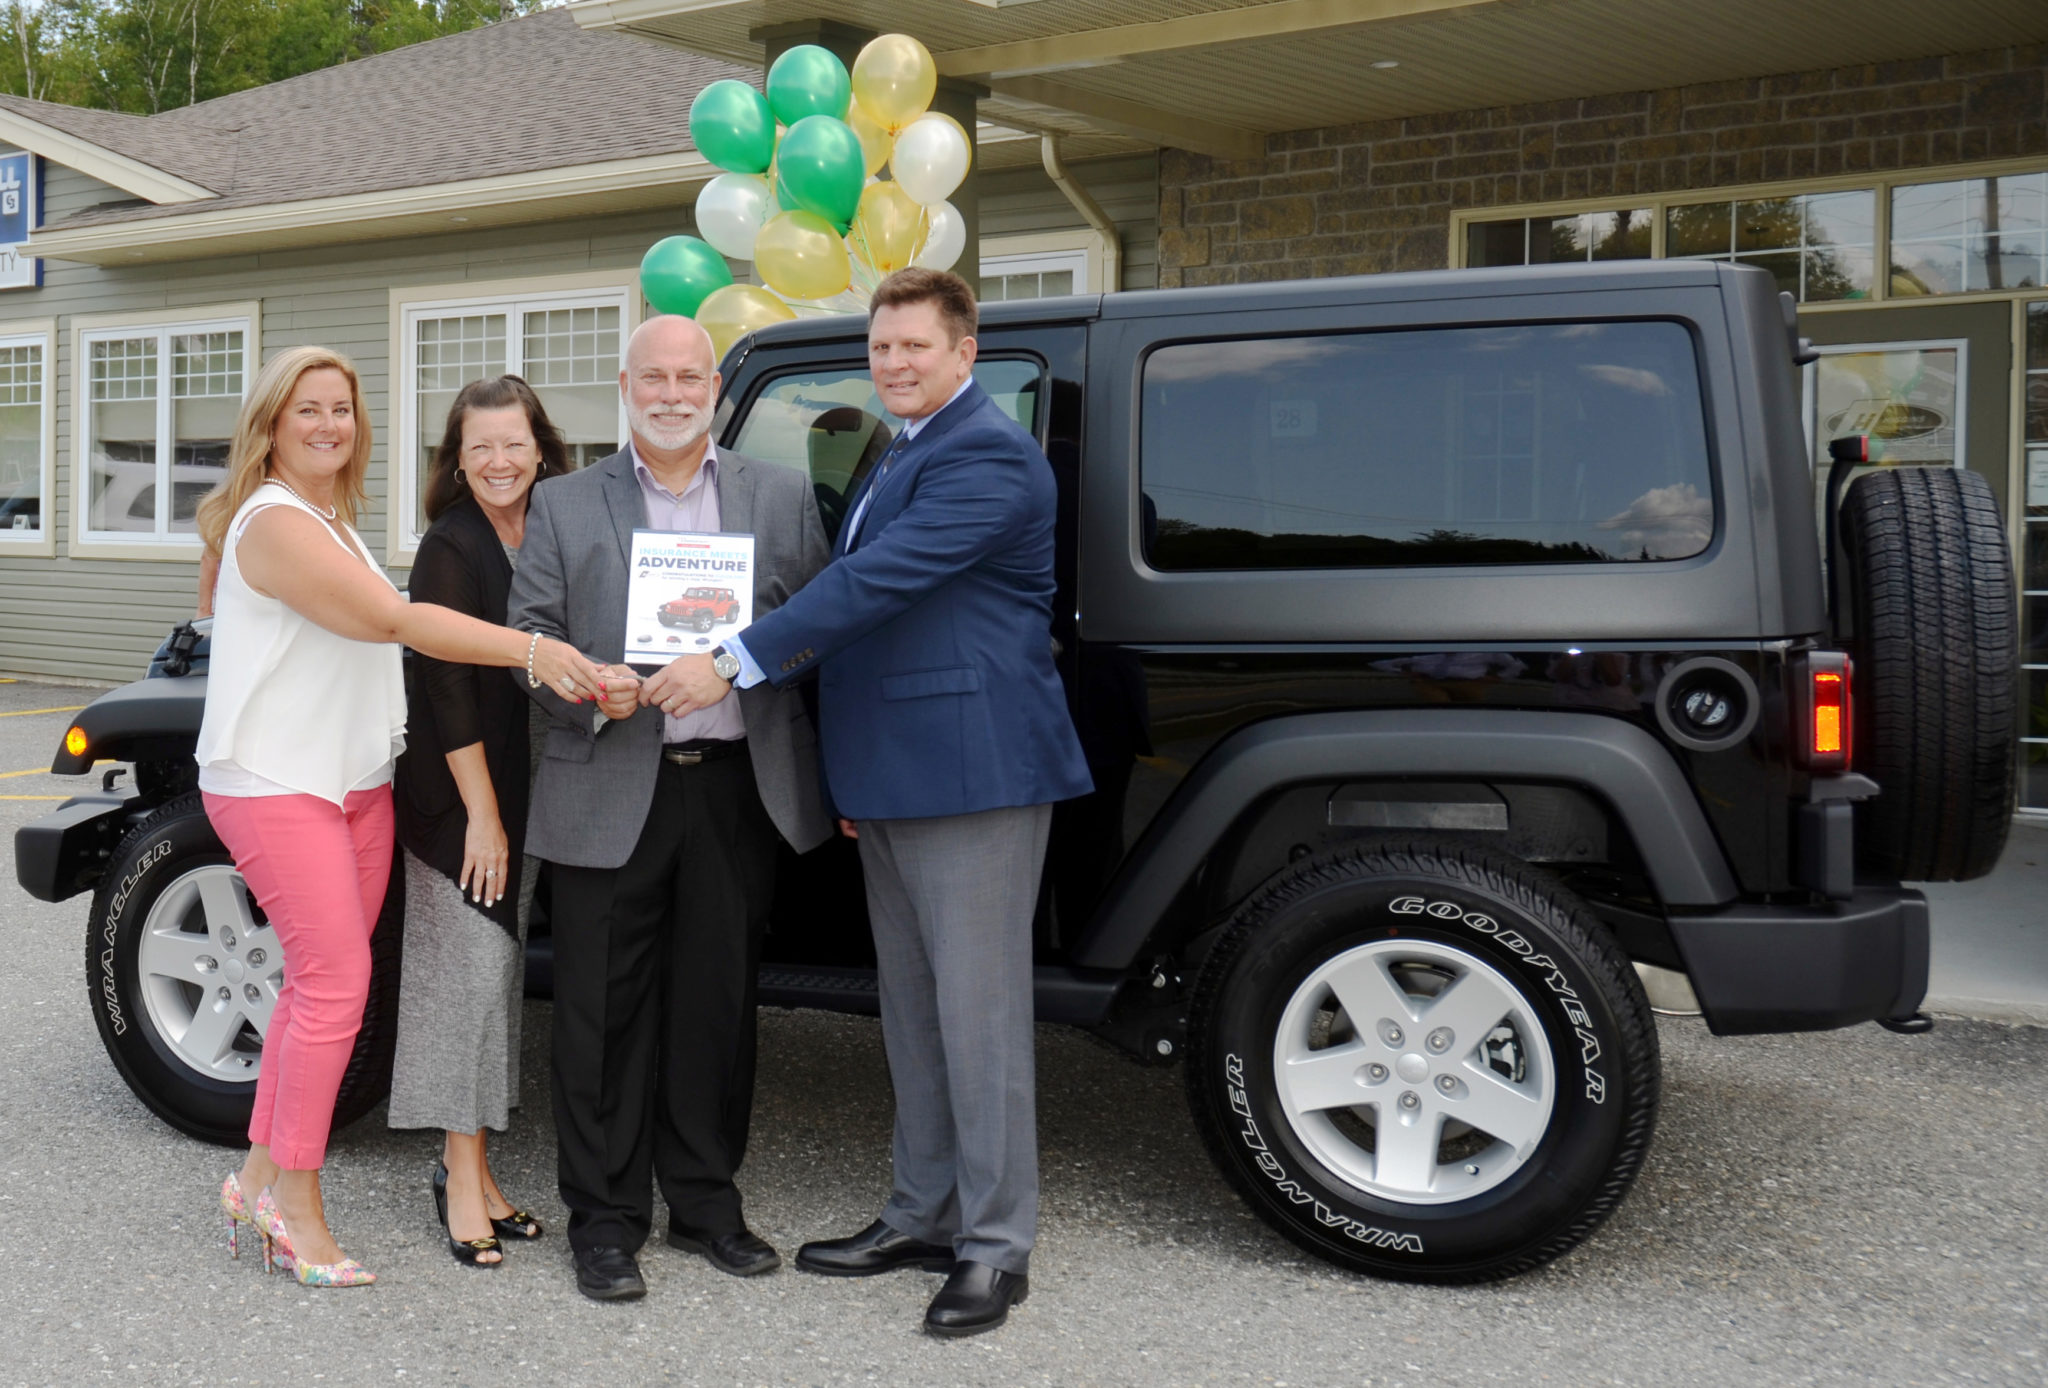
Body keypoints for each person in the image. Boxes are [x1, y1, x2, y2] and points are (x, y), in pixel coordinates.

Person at [664, 268, 1092, 1337]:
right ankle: (920, 1214)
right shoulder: (903, 448)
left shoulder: (988, 454)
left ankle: (993, 1248)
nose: (894, 363)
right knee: (914, 1013)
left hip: (973, 775)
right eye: (882, 347)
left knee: (979, 1021)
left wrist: (731, 659)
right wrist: (855, 773)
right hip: (898, 775)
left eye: (914, 346)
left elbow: (872, 585)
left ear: (964, 352)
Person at [196, 345, 609, 1289]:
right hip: (276, 782)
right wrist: (533, 651)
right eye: (308, 410)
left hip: (354, 782)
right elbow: (394, 623)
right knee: (336, 990)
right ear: (271, 423)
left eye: (341, 409)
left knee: (312, 991)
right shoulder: (272, 519)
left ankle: (254, 1178)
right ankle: (298, 1209)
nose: (328, 425)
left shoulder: (331, 518)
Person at [505, 314, 834, 1303]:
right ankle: (604, 1221)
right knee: (600, 1014)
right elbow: (528, 638)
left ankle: (703, 1202)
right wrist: (584, 685)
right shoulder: (564, 501)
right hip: (609, 782)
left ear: (714, 390)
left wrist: (742, 660)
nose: (673, 392)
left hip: (734, 784)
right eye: (654, 376)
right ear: (625, 386)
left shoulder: (779, 495)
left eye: (691, 376)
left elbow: (818, 625)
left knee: (715, 1004)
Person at [388, 376, 571, 1267]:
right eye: (481, 447)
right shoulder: (450, 546)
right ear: (457, 462)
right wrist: (484, 818)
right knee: (463, 983)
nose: (500, 461)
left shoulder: (546, 528)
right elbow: (445, 684)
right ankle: (460, 1178)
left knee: (496, 979)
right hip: (461, 798)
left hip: (522, 787)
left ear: (541, 449)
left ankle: (481, 1171)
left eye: (514, 444)